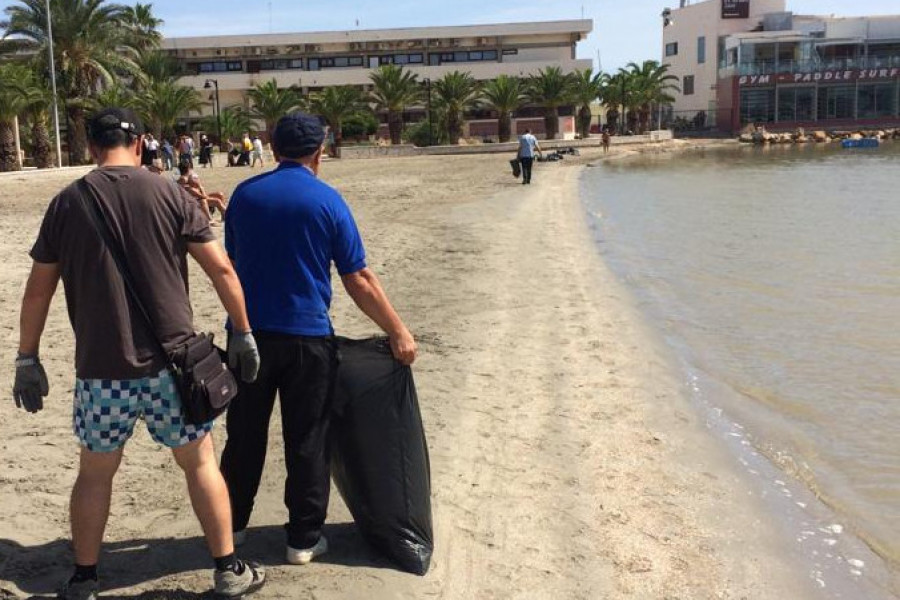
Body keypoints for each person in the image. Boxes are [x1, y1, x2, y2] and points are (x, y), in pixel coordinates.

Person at [12, 107, 266, 600]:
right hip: (174, 368)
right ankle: (228, 569)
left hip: (101, 373)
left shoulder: (68, 202)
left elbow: (37, 291)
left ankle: (84, 578)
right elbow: (223, 271)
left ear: (91, 147)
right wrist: (243, 331)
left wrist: (28, 356)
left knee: (95, 472)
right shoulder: (170, 193)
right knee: (199, 464)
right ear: (142, 142)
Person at [220, 112, 417, 565]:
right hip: (307, 338)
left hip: (247, 336)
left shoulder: (245, 196)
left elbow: (233, 262)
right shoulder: (327, 201)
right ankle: (303, 539)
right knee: (308, 438)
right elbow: (359, 279)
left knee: (244, 435)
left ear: (272, 147)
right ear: (319, 152)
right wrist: (397, 331)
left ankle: (231, 526)